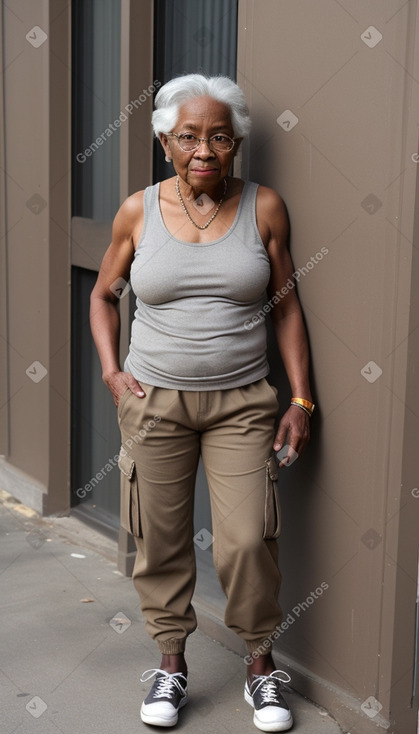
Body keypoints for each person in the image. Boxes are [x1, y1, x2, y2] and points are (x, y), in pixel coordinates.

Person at [90, 73, 314, 732]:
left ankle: (259, 665)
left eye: (219, 135)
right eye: (189, 135)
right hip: (154, 401)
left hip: (241, 404)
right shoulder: (137, 210)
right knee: (159, 540)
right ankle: (170, 663)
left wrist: (299, 397)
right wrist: (111, 372)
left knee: (246, 540)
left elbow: (287, 307)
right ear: (164, 140)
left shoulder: (264, 207)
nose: (204, 149)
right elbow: (104, 294)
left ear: (236, 141)